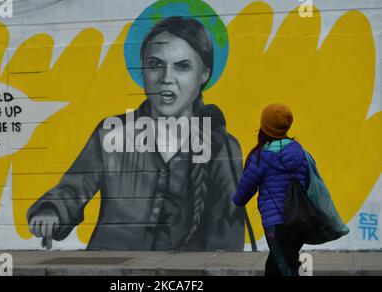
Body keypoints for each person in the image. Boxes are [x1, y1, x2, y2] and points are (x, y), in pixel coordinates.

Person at [27, 16, 247, 251]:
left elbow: (226, 235)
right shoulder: (112, 133)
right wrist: (52, 211)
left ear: (204, 74)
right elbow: (75, 187)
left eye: (182, 66)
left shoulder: (221, 146)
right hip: (108, 267)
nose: (166, 79)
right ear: (142, 70)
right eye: (155, 65)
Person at [232, 103, 309, 276]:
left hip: (276, 225)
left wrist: (236, 199)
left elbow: (244, 192)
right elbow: (309, 183)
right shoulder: (299, 152)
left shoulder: (261, 156)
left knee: (286, 267)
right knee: (275, 267)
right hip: (300, 221)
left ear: (264, 126)